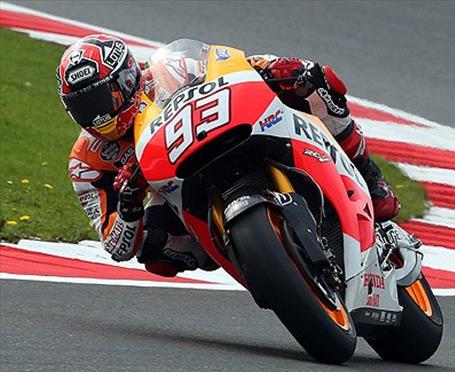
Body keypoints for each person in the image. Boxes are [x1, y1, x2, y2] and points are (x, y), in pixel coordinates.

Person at [57, 35, 400, 277]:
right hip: (175, 185)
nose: (98, 116)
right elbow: (116, 247)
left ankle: (371, 178)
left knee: (318, 83)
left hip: (228, 127)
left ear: (126, 78)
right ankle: (248, 255)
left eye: (101, 100)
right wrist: (130, 203)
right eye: (84, 107)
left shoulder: (168, 71)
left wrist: (277, 68)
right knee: (153, 250)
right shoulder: (86, 161)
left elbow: (232, 66)